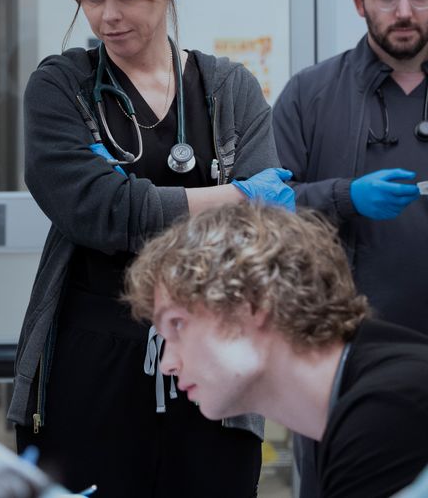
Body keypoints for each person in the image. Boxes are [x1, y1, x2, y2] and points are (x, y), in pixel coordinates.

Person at [7, 0, 294, 496]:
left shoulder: (228, 90)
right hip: (92, 360)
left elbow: (263, 231)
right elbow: (99, 211)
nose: (107, 16)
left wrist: (145, 202)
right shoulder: (62, 86)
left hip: (215, 361)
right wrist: (232, 195)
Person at [271, 0, 428, 497]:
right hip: (337, 365)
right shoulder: (310, 96)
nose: (404, 11)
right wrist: (344, 196)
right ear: (361, 1)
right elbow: (264, 213)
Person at [125, 202, 428, 498]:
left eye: (177, 325)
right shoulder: (359, 399)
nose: (166, 364)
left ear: (254, 303)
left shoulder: (388, 414)